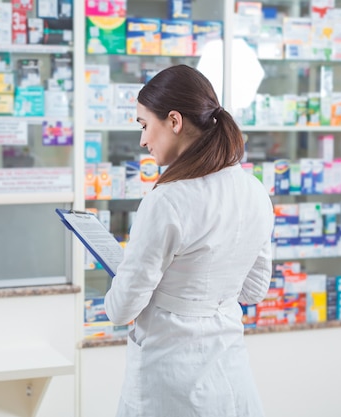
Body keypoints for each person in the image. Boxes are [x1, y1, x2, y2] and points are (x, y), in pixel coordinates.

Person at [104, 64, 274, 417]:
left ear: (175, 122)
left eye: (144, 125)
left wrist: (125, 280)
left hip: (170, 381)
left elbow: (121, 310)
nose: (143, 140)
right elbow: (253, 291)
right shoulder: (255, 191)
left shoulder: (167, 200)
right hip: (229, 372)